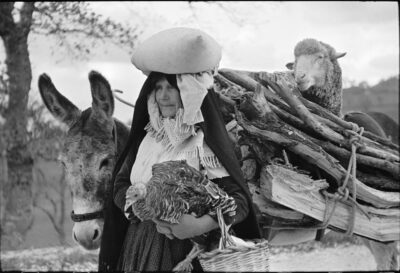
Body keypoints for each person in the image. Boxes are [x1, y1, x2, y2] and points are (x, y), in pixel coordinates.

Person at [98, 28, 262, 272]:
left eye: (171, 88)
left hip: (186, 252)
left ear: (187, 93)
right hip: (138, 246)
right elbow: (120, 184)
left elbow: (239, 202)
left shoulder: (203, 143)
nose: (163, 96)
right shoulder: (147, 138)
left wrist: (199, 226)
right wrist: (138, 208)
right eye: (158, 88)